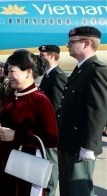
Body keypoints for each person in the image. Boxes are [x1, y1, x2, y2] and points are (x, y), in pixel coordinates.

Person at [0, 49, 58, 196]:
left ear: (28, 72)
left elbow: (52, 139)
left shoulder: (40, 101)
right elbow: (3, 132)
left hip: (26, 167)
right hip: (5, 162)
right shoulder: (12, 96)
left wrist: (17, 136)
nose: (8, 76)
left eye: (12, 71)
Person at [57, 26, 107, 196]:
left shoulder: (96, 71)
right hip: (67, 144)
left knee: (80, 192)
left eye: (71, 42)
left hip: (80, 147)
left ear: (86, 43)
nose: (67, 45)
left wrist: (89, 146)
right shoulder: (80, 70)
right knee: (67, 191)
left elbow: (98, 111)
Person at [38, 44, 67, 196]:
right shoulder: (48, 75)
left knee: (51, 161)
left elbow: (55, 106)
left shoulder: (58, 76)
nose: (40, 59)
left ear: (52, 55)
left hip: (51, 128)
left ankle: (50, 191)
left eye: (43, 56)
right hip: (44, 127)